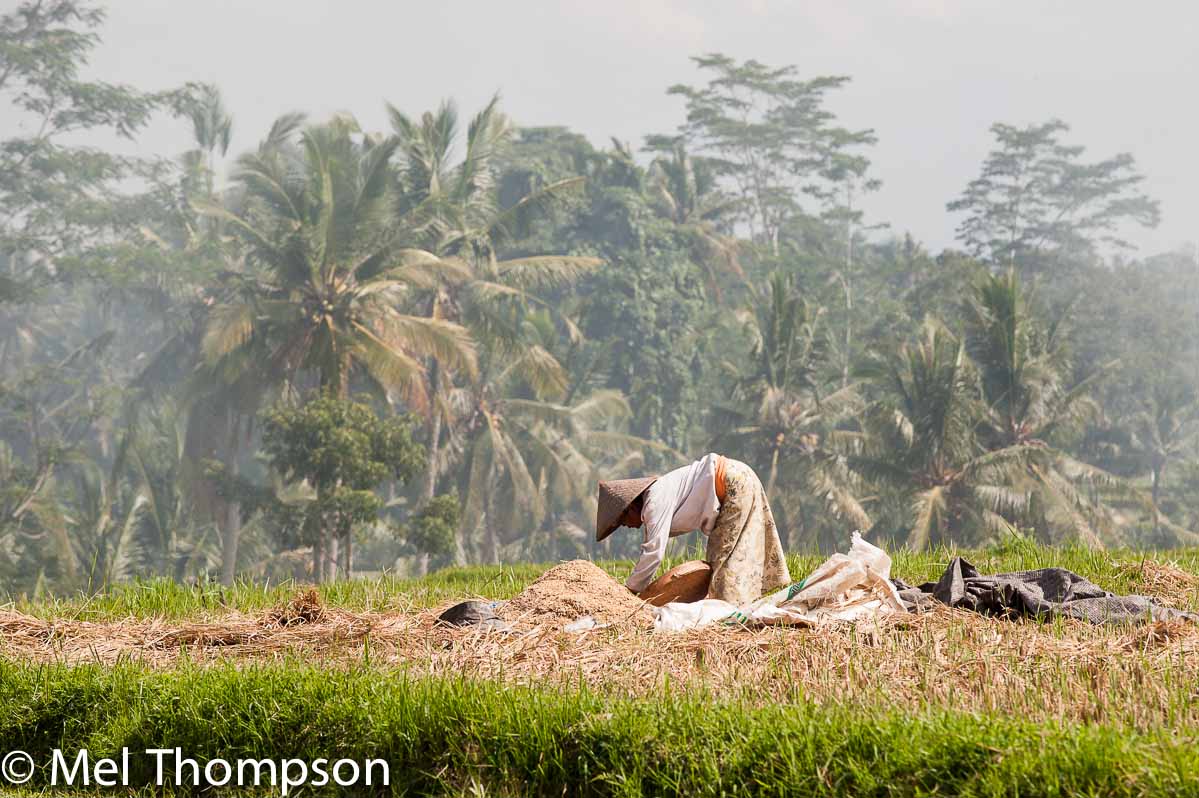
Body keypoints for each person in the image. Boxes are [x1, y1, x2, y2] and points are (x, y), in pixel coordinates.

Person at [595, 453, 790, 605]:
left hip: (733, 482)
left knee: (724, 564)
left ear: (630, 507)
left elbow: (653, 553)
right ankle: (734, 607)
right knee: (722, 558)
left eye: (623, 521)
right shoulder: (656, 496)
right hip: (739, 477)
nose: (627, 526)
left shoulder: (653, 503)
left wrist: (629, 591)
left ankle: (729, 615)